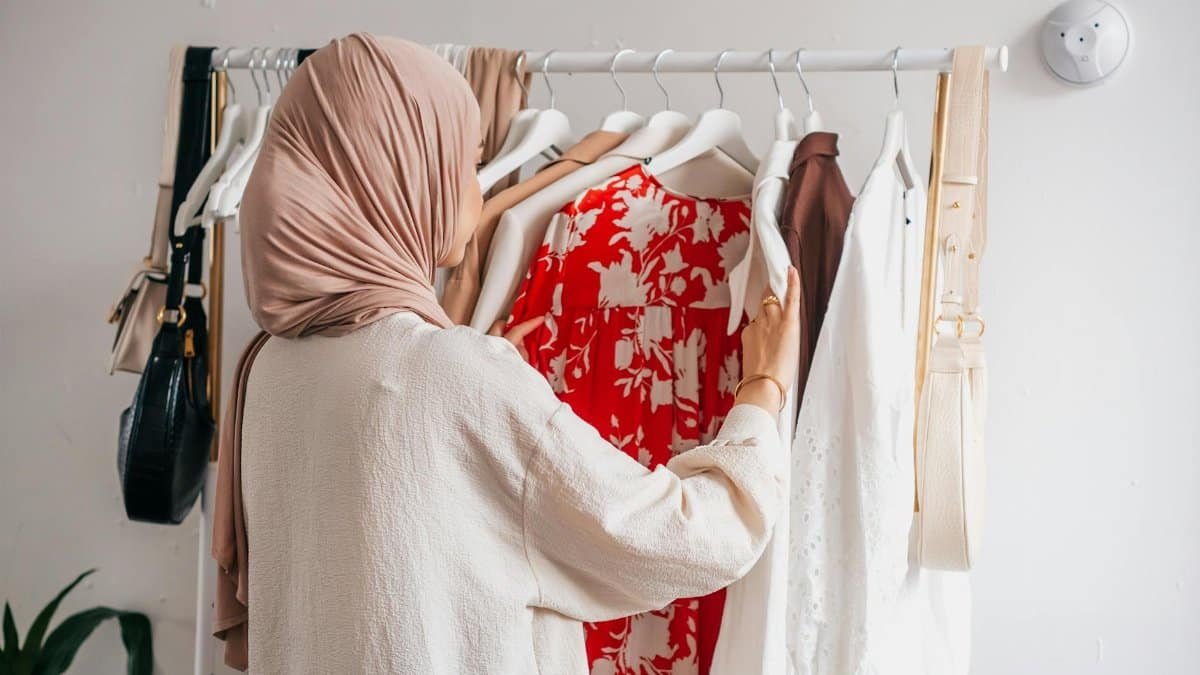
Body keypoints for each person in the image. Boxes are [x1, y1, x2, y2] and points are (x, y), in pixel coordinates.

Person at [211, 33, 801, 674]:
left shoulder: (270, 366)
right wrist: (762, 387)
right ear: (402, 177)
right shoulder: (446, 375)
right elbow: (686, 539)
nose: (476, 191)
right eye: (463, 163)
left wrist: (480, 377)